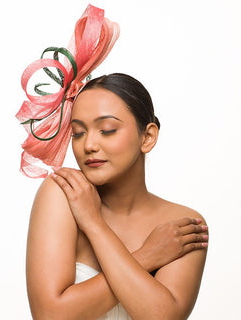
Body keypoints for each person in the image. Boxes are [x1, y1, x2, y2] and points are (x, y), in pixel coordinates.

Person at [25, 73, 208, 319]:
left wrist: (94, 225)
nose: (88, 144)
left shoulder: (182, 224)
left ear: (148, 136)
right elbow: (49, 315)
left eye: (107, 130)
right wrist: (147, 256)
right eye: (78, 133)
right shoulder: (64, 193)